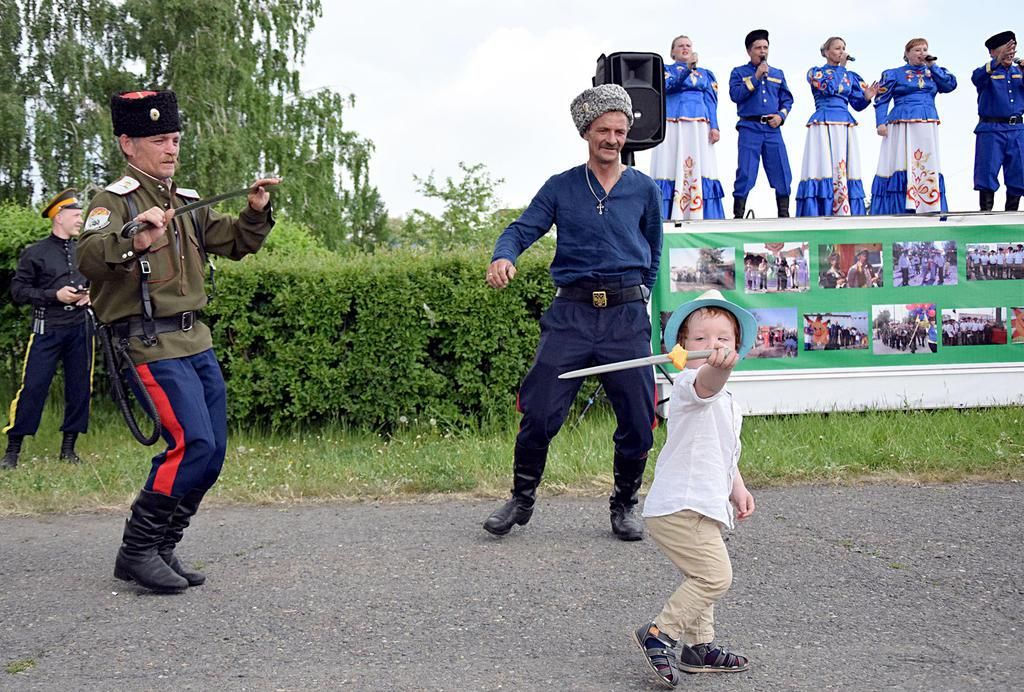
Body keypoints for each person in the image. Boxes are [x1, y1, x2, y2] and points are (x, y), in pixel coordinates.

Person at [76, 90, 280, 593]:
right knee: (192, 443)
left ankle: (164, 546)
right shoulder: (115, 201)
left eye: (174, 139)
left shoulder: (185, 202)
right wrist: (135, 240)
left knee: (212, 453)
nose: (171, 149)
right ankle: (137, 550)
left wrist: (256, 211)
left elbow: (237, 243)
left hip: (196, 338)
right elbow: (86, 258)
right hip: (148, 340)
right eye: (159, 140)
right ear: (128, 144)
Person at [483, 84, 663, 541]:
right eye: (604, 130)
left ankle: (624, 504)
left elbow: (654, 250)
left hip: (625, 317)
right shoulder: (562, 186)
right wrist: (504, 257)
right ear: (587, 132)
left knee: (639, 419)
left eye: (620, 131)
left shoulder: (643, 189)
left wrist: (641, 295)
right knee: (540, 411)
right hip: (572, 315)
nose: (613, 138)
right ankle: (521, 499)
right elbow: (521, 229)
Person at [632, 289, 756, 685]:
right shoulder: (690, 384)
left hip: (704, 503)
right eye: (701, 339)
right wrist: (718, 368)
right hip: (679, 506)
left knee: (699, 573)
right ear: (683, 347)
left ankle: (699, 646)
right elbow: (709, 382)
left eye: (723, 338)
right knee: (715, 576)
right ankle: (660, 634)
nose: (713, 345)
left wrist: (737, 486)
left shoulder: (728, 399)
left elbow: (723, 451)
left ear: (738, 345)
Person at [2, 190, 92, 470]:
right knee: (33, 387)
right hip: (48, 328)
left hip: (81, 327)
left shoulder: (84, 250)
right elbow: (17, 292)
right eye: (76, 215)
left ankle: (69, 450)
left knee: (79, 389)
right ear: (59, 217)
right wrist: (55, 295)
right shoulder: (35, 253)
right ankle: (12, 451)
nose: (81, 220)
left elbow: (101, 281)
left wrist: (91, 295)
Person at [870, 38, 957, 214]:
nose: (922, 53)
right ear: (907, 54)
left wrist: (933, 66)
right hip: (902, 123)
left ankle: (928, 203)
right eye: (917, 50)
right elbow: (881, 100)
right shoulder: (894, 74)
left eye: (925, 49)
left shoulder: (934, 72)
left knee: (926, 163)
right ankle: (899, 206)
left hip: (927, 123)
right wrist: (880, 123)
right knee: (902, 162)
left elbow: (949, 85)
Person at [797, 37, 877, 216]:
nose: (841, 52)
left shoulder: (852, 76)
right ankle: (820, 210)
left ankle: (846, 209)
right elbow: (829, 88)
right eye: (837, 48)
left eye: (843, 48)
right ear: (826, 52)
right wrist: (841, 67)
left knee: (845, 167)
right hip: (823, 121)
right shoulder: (816, 73)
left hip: (844, 123)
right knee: (823, 166)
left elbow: (857, 104)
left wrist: (867, 97)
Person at [650, 35, 725, 220]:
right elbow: (668, 87)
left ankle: (703, 214)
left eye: (688, 45)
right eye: (680, 46)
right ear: (672, 52)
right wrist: (687, 70)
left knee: (701, 167)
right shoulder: (665, 70)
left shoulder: (706, 74)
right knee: (671, 165)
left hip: (699, 126)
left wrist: (714, 126)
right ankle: (668, 215)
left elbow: (711, 101)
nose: (685, 48)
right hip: (674, 124)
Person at [729, 29, 794, 219]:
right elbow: (736, 95)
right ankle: (738, 216)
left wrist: (781, 116)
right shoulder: (739, 72)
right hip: (750, 127)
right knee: (746, 172)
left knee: (781, 170)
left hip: (773, 129)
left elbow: (787, 100)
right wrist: (756, 77)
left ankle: (784, 215)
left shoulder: (777, 73)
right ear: (749, 51)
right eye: (758, 48)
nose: (762, 51)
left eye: (765, 47)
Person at [973, 31, 1023, 212]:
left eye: (1013, 48)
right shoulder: (986, 72)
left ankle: (1011, 216)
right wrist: (997, 62)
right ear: (992, 52)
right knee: (987, 172)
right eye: (1006, 49)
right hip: (991, 128)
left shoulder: (1020, 72)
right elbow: (976, 78)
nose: (1011, 52)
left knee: (1019, 172)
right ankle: (985, 216)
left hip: (1017, 129)